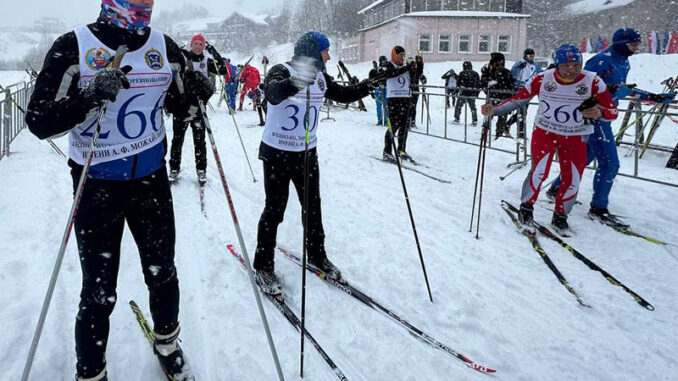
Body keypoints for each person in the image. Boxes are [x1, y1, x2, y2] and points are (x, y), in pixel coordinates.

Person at [24, 0, 213, 379]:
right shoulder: (73, 45)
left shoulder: (164, 46)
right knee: (98, 288)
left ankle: (168, 342)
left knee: (163, 272)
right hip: (96, 185)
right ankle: (91, 370)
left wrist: (196, 93)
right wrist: (90, 96)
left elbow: (179, 105)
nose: (145, 4)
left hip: (150, 181)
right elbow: (38, 120)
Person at [253, 31, 377, 295]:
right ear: (312, 50)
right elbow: (273, 94)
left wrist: (368, 85)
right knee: (275, 209)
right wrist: (295, 82)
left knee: (313, 206)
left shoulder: (321, 77)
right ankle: (263, 265)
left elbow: (343, 94)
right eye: (325, 50)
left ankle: (317, 255)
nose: (329, 56)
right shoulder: (280, 69)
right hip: (277, 152)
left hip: (306, 153)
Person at [545, 28, 675, 225]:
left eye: (637, 45)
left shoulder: (623, 61)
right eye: (633, 45)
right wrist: (608, 93)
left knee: (587, 157)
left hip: (606, 115)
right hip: (594, 118)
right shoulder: (600, 61)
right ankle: (598, 207)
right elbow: (580, 88)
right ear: (621, 44)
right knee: (610, 164)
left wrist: (652, 97)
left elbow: (623, 88)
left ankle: (557, 187)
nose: (636, 48)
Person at [481, 44, 618, 232]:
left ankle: (561, 215)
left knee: (572, 178)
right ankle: (526, 207)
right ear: (557, 65)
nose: (572, 70)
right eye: (567, 66)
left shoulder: (593, 81)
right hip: (545, 133)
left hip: (576, 136)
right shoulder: (542, 78)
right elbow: (519, 98)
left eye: (577, 65)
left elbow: (612, 112)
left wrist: (599, 112)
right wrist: (494, 109)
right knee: (538, 172)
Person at [169, 33, 221, 184]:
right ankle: (174, 168)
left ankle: (201, 169)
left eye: (201, 44)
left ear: (204, 47)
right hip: (182, 105)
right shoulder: (183, 56)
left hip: (199, 106)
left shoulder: (207, 60)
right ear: (191, 44)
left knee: (200, 141)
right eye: (196, 43)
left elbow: (223, 70)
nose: (198, 46)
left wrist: (213, 51)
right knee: (177, 139)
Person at [379, 46, 418, 161]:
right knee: (393, 126)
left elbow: (415, 77)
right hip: (394, 98)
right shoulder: (389, 64)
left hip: (405, 97)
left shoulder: (405, 66)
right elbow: (391, 74)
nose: (402, 57)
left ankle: (401, 149)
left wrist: (418, 65)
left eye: (403, 55)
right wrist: (406, 67)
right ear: (395, 55)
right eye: (400, 55)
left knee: (404, 126)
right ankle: (387, 151)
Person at [507, 48, 542, 136]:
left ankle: (509, 126)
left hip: (528, 89)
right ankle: (519, 132)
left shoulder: (535, 65)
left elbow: (540, 74)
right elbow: (513, 74)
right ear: (525, 55)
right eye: (530, 56)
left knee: (523, 111)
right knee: (522, 111)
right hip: (518, 89)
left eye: (533, 56)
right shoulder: (520, 63)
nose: (532, 58)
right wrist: (519, 68)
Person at [480, 52, 515, 138]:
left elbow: (510, 85)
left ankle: (496, 134)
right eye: (498, 62)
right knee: (493, 117)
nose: (500, 64)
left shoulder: (504, 72)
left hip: (499, 99)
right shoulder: (490, 72)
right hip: (497, 99)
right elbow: (484, 84)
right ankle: (488, 133)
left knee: (498, 118)